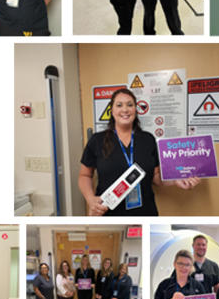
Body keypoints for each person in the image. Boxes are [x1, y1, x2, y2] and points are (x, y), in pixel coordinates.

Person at [79, 88, 199, 216]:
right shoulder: (97, 140)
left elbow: (156, 177)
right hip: (109, 212)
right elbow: (84, 176)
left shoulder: (148, 139)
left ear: (135, 110)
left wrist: (176, 180)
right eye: (119, 105)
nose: (125, 109)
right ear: (112, 111)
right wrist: (90, 199)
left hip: (145, 212)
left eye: (130, 105)